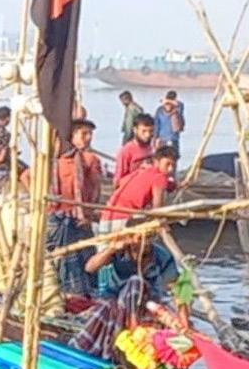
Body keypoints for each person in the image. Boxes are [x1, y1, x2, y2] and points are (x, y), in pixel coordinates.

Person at [50, 119, 104, 299]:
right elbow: (96, 189)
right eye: (84, 134)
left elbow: (95, 189)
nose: (88, 138)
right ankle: (75, 295)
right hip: (65, 218)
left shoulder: (84, 159)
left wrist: (89, 211)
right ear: (72, 136)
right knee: (72, 262)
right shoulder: (60, 160)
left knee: (73, 261)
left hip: (72, 217)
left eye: (90, 134)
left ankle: (75, 295)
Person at [101, 145, 178, 222]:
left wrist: (175, 185)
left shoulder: (142, 170)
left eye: (173, 166)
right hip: (122, 219)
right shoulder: (160, 177)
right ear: (157, 162)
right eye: (167, 164)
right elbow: (157, 208)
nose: (170, 169)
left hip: (106, 217)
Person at [114, 113, 156, 181]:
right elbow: (119, 179)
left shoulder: (151, 148)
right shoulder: (126, 151)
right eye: (144, 131)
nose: (147, 135)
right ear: (135, 130)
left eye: (151, 131)